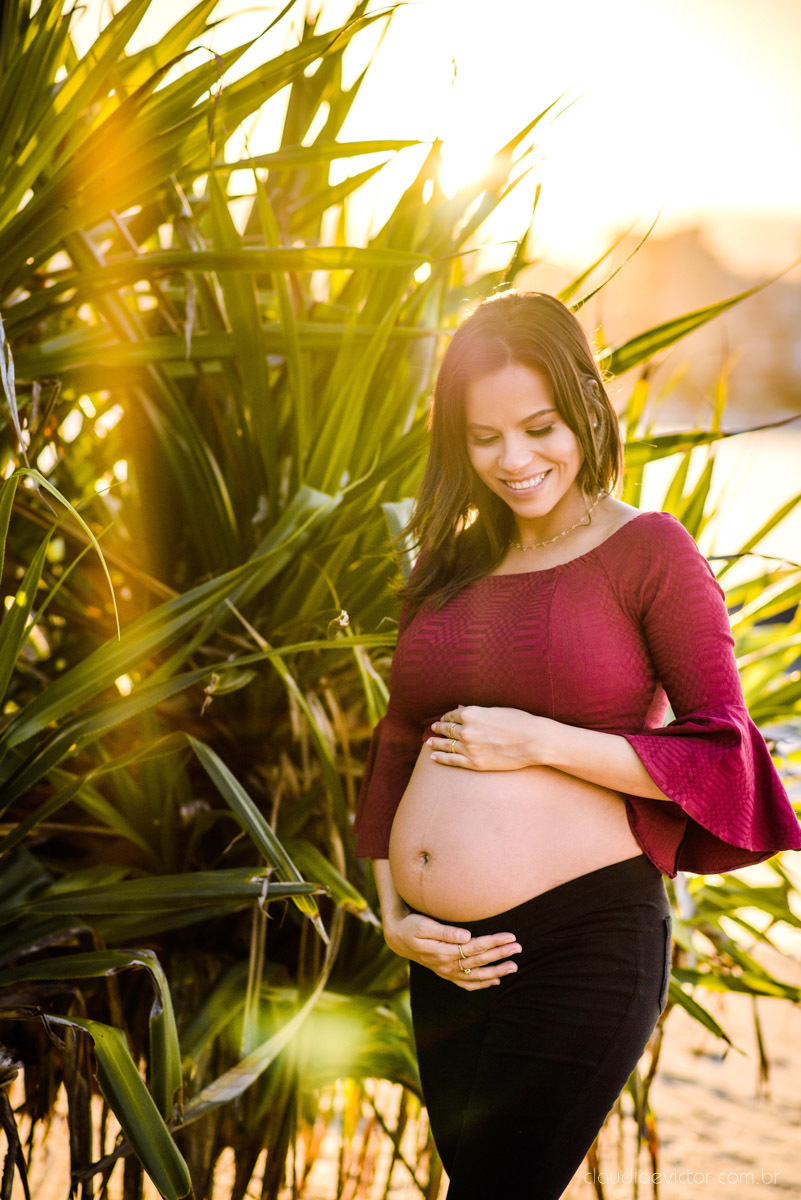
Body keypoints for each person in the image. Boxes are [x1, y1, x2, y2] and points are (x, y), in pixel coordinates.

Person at [352, 291, 801, 1199]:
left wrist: (540, 743)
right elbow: (398, 740)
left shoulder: (649, 552)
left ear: (587, 409)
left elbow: (726, 751)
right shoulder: (444, 566)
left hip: (584, 935)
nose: (514, 460)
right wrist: (396, 916)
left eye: (539, 426)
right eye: (484, 438)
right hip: (443, 953)